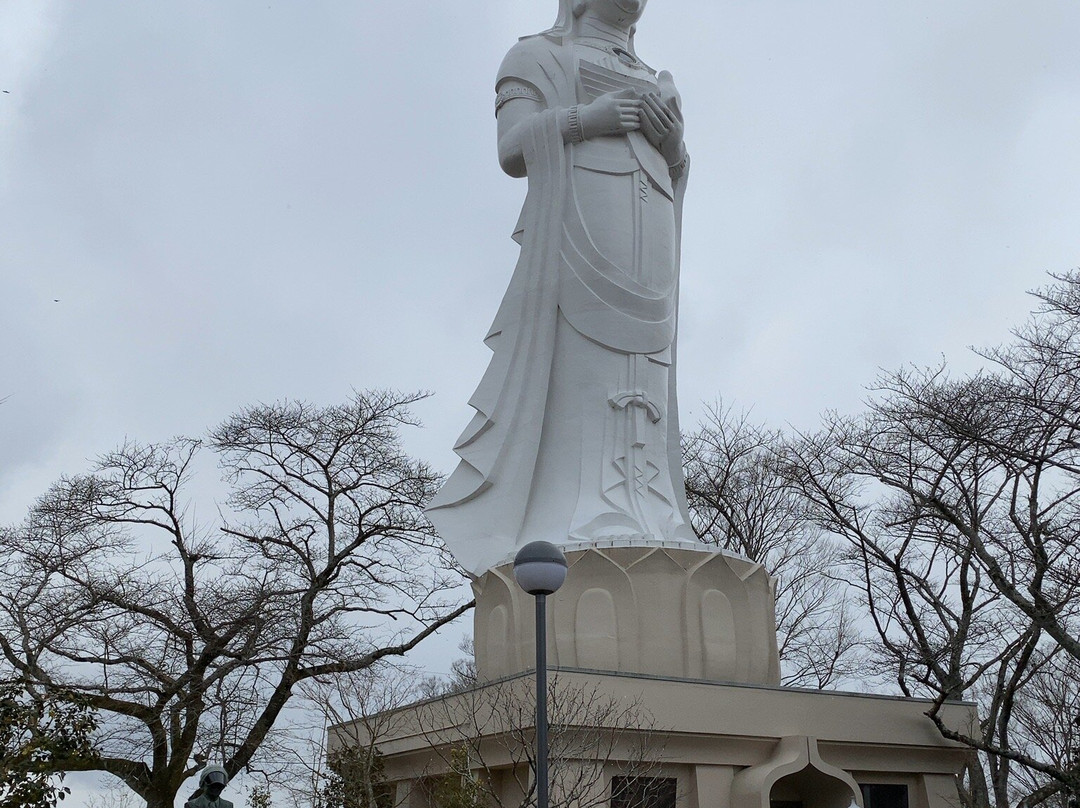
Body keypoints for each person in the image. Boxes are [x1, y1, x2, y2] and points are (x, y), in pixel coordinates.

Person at [427, 0, 698, 575]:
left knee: (646, 366)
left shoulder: (651, 76)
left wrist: (673, 146)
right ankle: (570, 512)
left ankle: (653, 509)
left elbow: (676, 167)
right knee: (584, 360)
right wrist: (587, 120)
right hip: (580, 217)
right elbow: (512, 149)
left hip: (651, 232)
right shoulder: (537, 55)